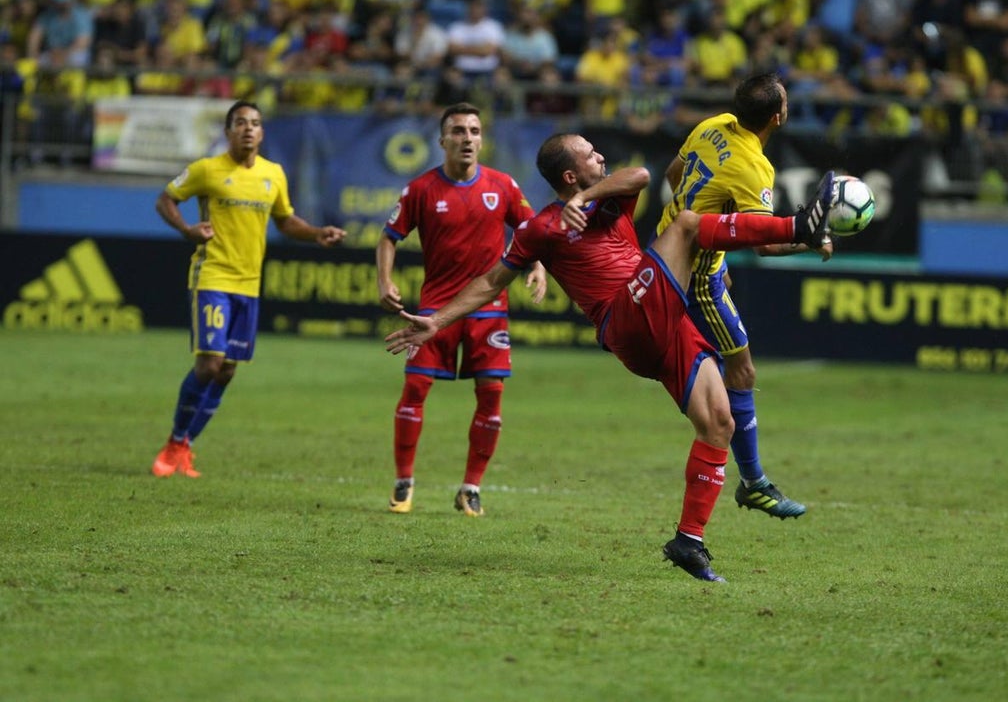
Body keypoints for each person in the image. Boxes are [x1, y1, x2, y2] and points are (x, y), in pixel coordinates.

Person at [385, 132, 834, 581]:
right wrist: (437, 321)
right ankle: (799, 226)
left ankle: (689, 540)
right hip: (626, 316)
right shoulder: (541, 228)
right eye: (590, 154)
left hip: (660, 318)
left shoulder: (609, 198)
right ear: (569, 174)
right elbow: (491, 282)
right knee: (687, 226)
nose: (601, 155)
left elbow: (638, 174)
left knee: (718, 423)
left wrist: (586, 197)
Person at [656, 72, 824, 525]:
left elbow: (675, 175)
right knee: (742, 369)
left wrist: (700, 238)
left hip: (663, 254)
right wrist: (809, 240)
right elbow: (765, 244)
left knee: (718, 370)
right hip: (696, 278)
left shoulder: (712, 124)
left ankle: (747, 475)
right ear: (778, 116)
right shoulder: (755, 167)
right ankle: (753, 484)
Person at [151, 100, 347, 478]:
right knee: (208, 364)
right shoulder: (207, 170)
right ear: (228, 132)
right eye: (240, 123)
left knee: (226, 371)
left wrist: (317, 233)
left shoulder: (273, 174)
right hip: (213, 276)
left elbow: (286, 222)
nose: (248, 129)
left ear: (262, 132)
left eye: (255, 123)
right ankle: (175, 440)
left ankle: (186, 447)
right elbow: (166, 199)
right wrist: (187, 230)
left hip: (249, 284)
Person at [376, 102, 547, 518]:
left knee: (491, 397)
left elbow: (531, 230)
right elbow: (388, 237)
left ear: (481, 139)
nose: (467, 138)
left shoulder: (502, 185)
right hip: (434, 310)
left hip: (489, 309)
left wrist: (538, 265)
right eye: (458, 131)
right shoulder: (420, 190)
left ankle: (471, 488)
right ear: (442, 141)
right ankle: (404, 481)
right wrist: (385, 280)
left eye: (473, 130)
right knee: (415, 390)